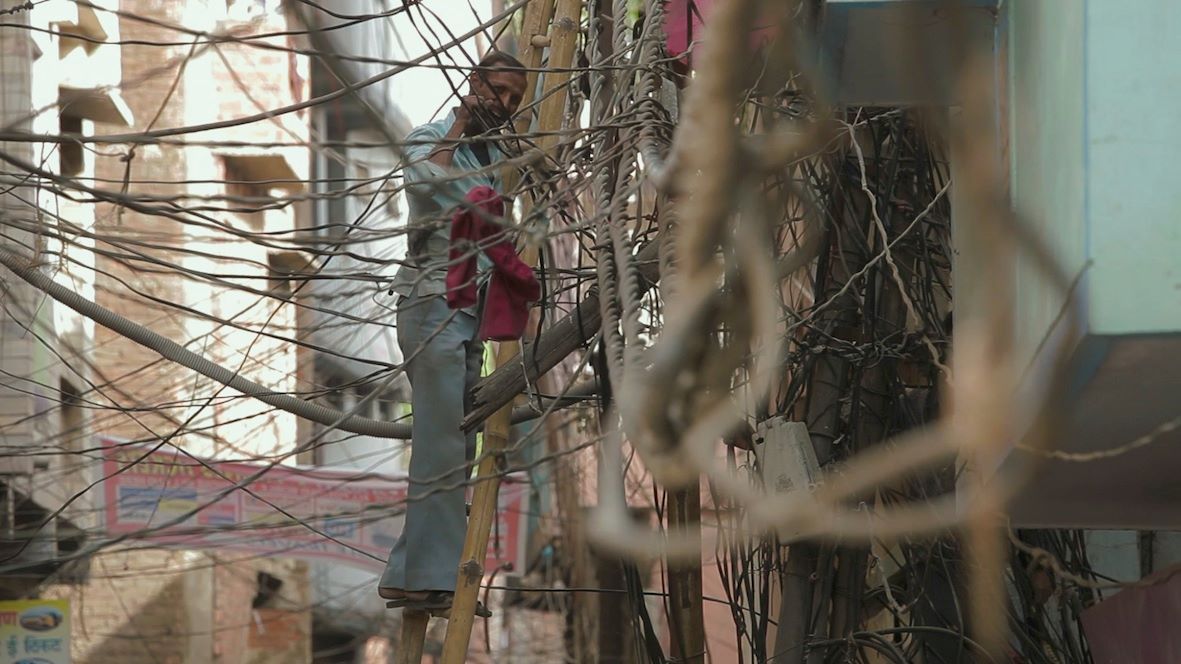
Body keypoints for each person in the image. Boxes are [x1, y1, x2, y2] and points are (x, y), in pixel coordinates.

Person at [378, 52, 529, 613]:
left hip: (469, 313)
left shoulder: (496, 160)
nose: (504, 104)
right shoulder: (431, 137)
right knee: (441, 444)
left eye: (514, 98)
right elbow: (425, 185)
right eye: (498, 90)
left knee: (455, 443)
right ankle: (433, 580)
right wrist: (462, 122)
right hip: (430, 306)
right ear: (474, 83)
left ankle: (407, 573)